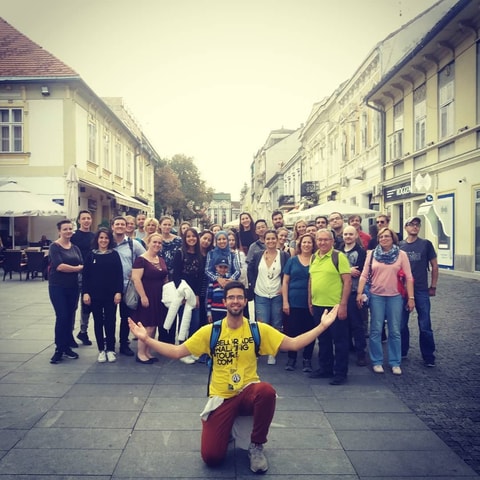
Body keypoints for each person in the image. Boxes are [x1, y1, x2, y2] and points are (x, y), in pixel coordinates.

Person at [128, 281, 339, 473]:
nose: (235, 301)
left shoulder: (258, 330)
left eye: (239, 297)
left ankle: (256, 445)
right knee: (211, 458)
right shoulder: (211, 331)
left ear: (245, 301)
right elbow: (176, 352)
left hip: (248, 392)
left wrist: (322, 326)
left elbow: (293, 343)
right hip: (222, 397)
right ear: (225, 301)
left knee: (266, 391)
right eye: (231, 297)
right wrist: (147, 339)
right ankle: (224, 430)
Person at [356, 227, 414, 375]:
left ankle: (395, 362)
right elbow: (364, 274)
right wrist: (359, 293)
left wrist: (411, 297)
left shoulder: (401, 255)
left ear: (392, 238)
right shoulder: (372, 254)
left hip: (395, 296)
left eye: (387, 236)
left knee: (395, 330)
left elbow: (409, 277)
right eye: (381, 237)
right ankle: (377, 361)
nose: (383, 239)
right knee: (376, 329)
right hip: (376, 296)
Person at [308, 229, 352, 385]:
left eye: (326, 240)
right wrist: (310, 301)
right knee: (323, 339)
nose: (322, 242)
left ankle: (340, 372)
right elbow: (312, 280)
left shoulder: (338, 257)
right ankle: (325, 368)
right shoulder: (314, 257)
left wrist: (343, 305)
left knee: (339, 341)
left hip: (334, 306)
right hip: (318, 305)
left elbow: (347, 281)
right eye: (319, 240)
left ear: (332, 241)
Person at [400, 216, 438, 367]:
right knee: (401, 323)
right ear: (406, 227)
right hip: (403, 290)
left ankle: (428, 355)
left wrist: (433, 286)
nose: (415, 227)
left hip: (421, 289)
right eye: (411, 224)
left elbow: (434, 265)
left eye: (417, 224)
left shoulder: (426, 244)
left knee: (425, 324)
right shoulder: (400, 245)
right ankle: (402, 351)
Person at [247, 229, 289, 365]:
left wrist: (284, 288)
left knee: (276, 323)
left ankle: (272, 352)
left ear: (277, 240)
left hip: (277, 294)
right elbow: (250, 269)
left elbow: (288, 274)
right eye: (268, 239)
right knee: (261, 323)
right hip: (261, 293)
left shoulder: (284, 256)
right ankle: (260, 349)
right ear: (264, 241)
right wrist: (252, 285)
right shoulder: (258, 255)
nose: (270, 241)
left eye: (273, 238)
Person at [82, 228, 123, 363]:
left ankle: (110, 349)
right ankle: (101, 350)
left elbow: (119, 275)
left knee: (110, 322)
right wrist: (85, 293)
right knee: (98, 322)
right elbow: (86, 276)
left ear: (110, 240)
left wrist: (118, 292)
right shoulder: (91, 255)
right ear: (97, 239)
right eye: (101, 238)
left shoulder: (114, 255)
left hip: (111, 295)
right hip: (95, 295)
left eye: (106, 238)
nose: (103, 240)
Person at [48, 220, 84, 364]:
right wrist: (76, 269)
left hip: (73, 286)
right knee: (62, 316)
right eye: (65, 229)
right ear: (59, 231)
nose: (68, 231)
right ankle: (59, 348)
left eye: (70, 229)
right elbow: (60, 266)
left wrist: (76, 268)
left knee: (70, 316)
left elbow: (82, 263)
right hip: (57, 286)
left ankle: (67, 346)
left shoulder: (75, 248)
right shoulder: (54, 247)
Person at [130, 233, 169, 363]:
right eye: (154, 242)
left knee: (154, 325)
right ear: (148, 243)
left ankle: (148, 352)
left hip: (159, 296)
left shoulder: (160, 259)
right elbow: (136, 278)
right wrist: (143, 296)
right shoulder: (141, 260)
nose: (157, 245)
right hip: (147, 295)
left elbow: (165, 277)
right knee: (147, 326)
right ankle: (141, 353)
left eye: (159, 243)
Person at [112, 215, 146, 356]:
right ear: (112, 227)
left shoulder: (133, 244)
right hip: (109, 286)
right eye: (117, 224)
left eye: (122, 224)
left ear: (126, 227)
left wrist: (136, 273)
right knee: (109, 317)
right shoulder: (107, 243)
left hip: (128, 287)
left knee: (126, 317)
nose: (120, 226)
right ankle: (109, 345)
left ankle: (124, 344)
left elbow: (145, 259)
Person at [282, 233, 316, 372]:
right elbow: (285, 281)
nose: (306, 245)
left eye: (309, 242)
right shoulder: (292, 260)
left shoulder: (316, 260)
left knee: (310, 331)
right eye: (304, 242)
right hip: (293, 300)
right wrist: (285, 301)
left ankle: (307, 359)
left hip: (311, 301)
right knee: (292, 331)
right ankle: (292, 358)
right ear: (299, 245)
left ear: (313, 245)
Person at [172, 227, 204, 363]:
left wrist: (196, 295)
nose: (191, 239)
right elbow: (176, 275)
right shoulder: (179, 253)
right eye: (188, 236)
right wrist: (183, 294)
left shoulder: (199, 255)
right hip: (182, 293)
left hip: (194, 293)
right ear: (185, 238)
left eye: (194, 236)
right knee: (183, 321)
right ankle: (182, 352)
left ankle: (192, 349)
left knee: (194, 322)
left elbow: (200, 277)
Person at [340, 226, 367, 366]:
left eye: (351, 234)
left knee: (357, 324)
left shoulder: (361, 252)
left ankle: (361, 352)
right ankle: (347, 348)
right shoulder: (337, 250)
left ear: (356, 235)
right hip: (339, 291)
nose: (348, 236)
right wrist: (347, 270)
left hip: (355, 291)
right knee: (343, 323)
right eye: (345, 234)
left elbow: (360, 271)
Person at [71, 210, 95, 346]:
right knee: (73, 306)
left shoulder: (94, 236)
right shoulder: (74, 237)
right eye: (84, 218)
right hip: (76, 274)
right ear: (79, 221)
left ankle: (83, 331)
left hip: (91, 275)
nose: (86, 221)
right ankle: (69, 334)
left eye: (88, 218)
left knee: (87, 304)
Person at [158, 215, 182, 280]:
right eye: (165, 224)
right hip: (159, 272)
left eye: (169, 225)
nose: (167, 227)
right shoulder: (156, 239)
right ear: (160, 226)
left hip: (175, 273)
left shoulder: (178, 240)